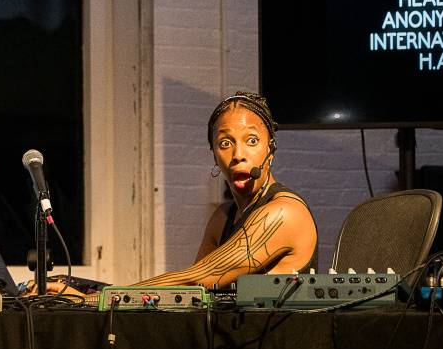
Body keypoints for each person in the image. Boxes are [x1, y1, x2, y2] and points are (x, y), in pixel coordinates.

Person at [135, 91, 317, 290]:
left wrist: (109, 296)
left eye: (252, 140)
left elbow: (196, 279)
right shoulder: (222, 217)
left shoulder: (284, 213)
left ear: (270, 150)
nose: (238, 155)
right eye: (226, 143)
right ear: (215, 157)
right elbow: (195, 295)